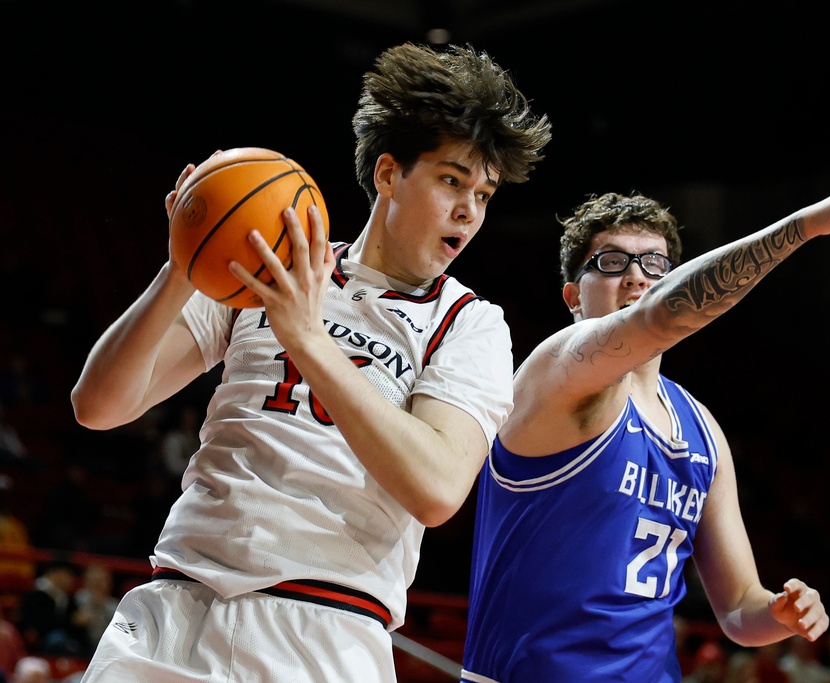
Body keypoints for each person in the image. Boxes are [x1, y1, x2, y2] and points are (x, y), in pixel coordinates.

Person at [70, 41, 551, 683]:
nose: (469, 209)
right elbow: (99, 406)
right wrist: (183, 266)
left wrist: (310, 342)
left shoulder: (468, 323)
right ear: (388, 174)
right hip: (177, 606)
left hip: (321, 626)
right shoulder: (273, 268)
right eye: (451, 180)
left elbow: (437, 488)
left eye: (485, 195)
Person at [460, 180, 830, 682]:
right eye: (613, 262)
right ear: (573, 295)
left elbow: (739, 609)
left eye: (655, 264)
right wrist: (809, 224)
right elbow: (659, 314)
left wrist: (778, 614)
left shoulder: (702, 430)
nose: (638, 277)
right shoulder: (555, 372)